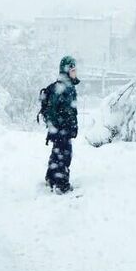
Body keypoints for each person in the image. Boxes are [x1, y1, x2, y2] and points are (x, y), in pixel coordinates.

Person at [44, 55, 80, 194]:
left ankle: (51, 178)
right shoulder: (65, 87)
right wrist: (66, 126)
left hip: (57, 129)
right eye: (73, 69)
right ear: (67, 70)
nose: (75, 72)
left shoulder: (60, 84)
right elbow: (66, 110)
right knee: (64, 155)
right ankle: (61, 184)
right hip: (62, 129)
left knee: (57, 153)